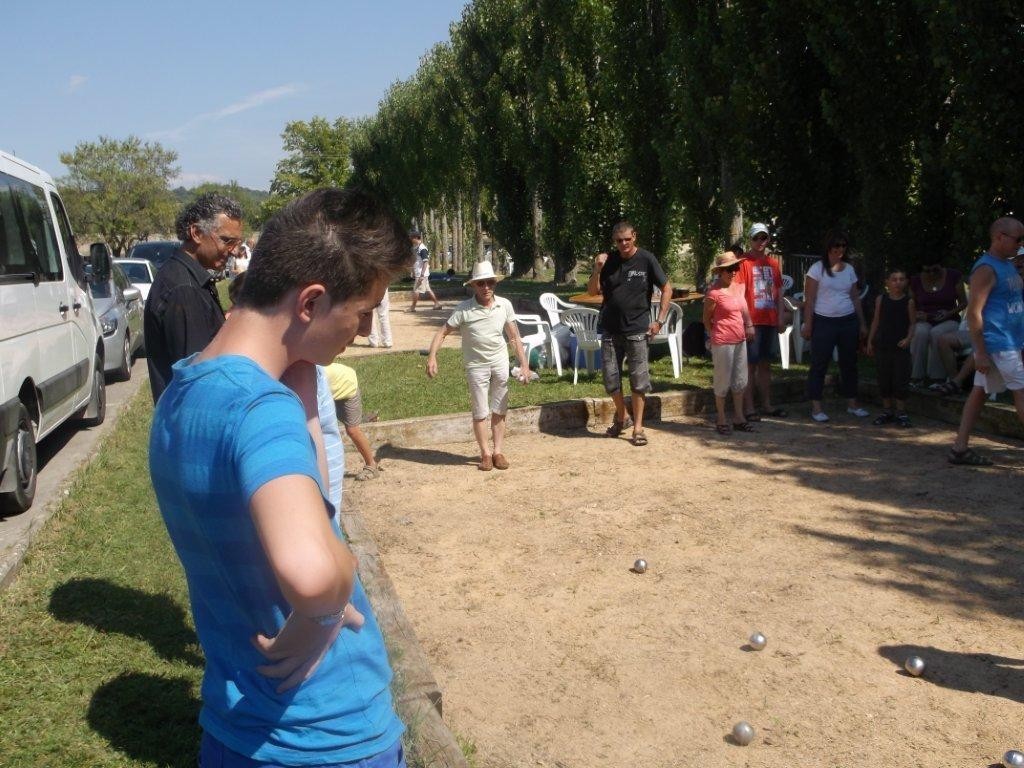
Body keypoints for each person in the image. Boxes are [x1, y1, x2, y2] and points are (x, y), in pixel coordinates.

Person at [148, 188, 410, 766]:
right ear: (310, 301)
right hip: (327, 732)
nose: (365, 328)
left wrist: (302, 383)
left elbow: (306, 500)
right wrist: (328, 603)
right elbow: (313, 574)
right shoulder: (258, 410)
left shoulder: (184, 393)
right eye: (364, 310)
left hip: (237, 725)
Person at [425, 261, 530, 470]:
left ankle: (498, 452)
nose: (486, 287)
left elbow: (514, 337)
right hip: (476, 365)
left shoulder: (504, 305)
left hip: (499, 362)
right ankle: (485, 454)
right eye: (481, 283)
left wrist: (524, 365)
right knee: (480, 410)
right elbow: (442, 332)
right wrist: (432, 357)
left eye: (490, 282)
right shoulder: (464, 309)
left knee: (500, 407)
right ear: (473, 285)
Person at [144, 193, 243, 402]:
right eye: (227, 241)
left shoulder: (187, 279)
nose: (234, 251)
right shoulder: (184, 290)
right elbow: (197, 377)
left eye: (237, 243)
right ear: (196, 233)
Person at [586, 220, 673, 446]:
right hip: (610, 329)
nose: (624, 244)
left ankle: (638, 428)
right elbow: (593, 291)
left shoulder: (646, 259)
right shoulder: (608, 261)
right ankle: (623, 416)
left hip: (637, 329)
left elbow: (667, 288)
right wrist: (597, 269)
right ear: (614, 241)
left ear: (634, 236)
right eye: (619, 241)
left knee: (638, 381)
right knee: (610, 379)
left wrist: (659, 320)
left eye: (627, 239)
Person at [948, 216, 1024, 465]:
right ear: (1000, 237)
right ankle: (959, 448)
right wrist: (979, 352)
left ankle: (959, 448)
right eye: (1018, 239)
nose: (1020, 244)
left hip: (1008, 341)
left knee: (979, 392)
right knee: (1022, 392)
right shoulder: (986, 269)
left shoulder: (1007, 265)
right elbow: (973, 313)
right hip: (1000, 344)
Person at [801, 229, 870, 422]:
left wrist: (862, 323)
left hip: (848, 321)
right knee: (819, 364)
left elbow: (855, 297)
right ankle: (816, 407)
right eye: (836, 245)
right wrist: (808, 324)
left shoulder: (849, 269)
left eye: (843, 245)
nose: (839, 249)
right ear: (828, 247)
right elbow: (810, 300)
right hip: (824, 321)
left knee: (849, 363)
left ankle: (852, 403)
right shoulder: (817, 269)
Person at [737, 222, 787, 420]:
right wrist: (747, 322)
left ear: (768, 239)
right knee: (750, 365)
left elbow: (779, 292)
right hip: (752, 320)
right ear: (750, 239)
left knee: (766, 364)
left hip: (769, 320)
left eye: (763, 237)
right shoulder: (743, 263)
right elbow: (740, 294)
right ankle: (749, 408)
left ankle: (767, 404)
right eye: (756, 237)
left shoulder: (773, 264)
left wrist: (780, 317)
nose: (760, 241)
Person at [703, 253, 755, 434]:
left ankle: (739, 417)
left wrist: (749, 325)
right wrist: (713, 335)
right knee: (722, 380)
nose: (733, 272)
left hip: (740, 339)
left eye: (735, 268)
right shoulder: (714, 293)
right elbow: (706, 319)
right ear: (720, 272)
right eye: (729, 269)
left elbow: (744, 308)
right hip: (723, 341)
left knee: (740, 380)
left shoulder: (739, 287)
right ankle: (721, 418)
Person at [866, 267, 916, 427]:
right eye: (894, 279)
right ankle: (887, 410)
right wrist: (870, 341)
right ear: (887, 282)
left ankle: (901, 412)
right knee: (884, 377)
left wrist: (908, 338)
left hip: (900, 346)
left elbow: (912, 323)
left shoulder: (909, 302)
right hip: (883, 344)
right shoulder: (881, 299)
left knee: (900, 378)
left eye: (901, 279)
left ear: (906, 282)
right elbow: (876, 320)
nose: (897, 283)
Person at [909, 258, 967, 387]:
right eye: (927, 271)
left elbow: (964, 303)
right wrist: (917, 314)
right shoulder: (916, 281)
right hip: (925, 319)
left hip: (949, 318)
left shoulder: (954, 276)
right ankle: (917, 376)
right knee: (920, 332)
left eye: (935, 270)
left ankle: (937, 378)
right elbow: (911, 304)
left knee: (937, 333)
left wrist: (949, 313)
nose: (931, 273)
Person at [324, 360, 382, 480]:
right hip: (331, 389)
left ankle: (371, 465)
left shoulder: (311, 375)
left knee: (352, 430)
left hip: (346, 385)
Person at [409, 231, 442, 311]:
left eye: (411, 238)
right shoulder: (416, 248)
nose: (410, 239)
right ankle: (437, 304)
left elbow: (425, 262)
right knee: (428, 289)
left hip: (421, 274)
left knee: (416, 290)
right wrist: (413, 271)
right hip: (419, 272)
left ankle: (412, 308)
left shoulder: (422, 249)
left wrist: (422, 275)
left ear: (416, 238)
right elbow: (416, 261)